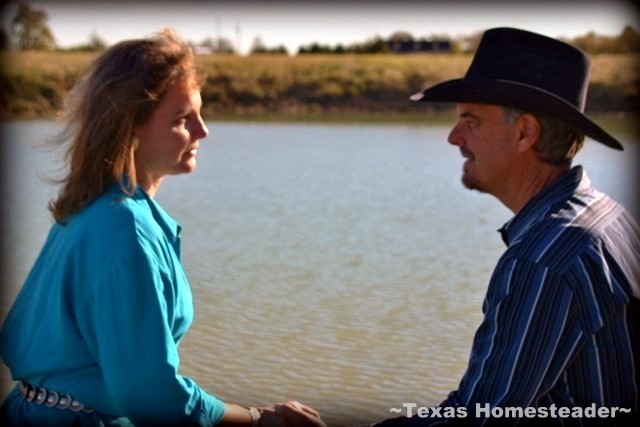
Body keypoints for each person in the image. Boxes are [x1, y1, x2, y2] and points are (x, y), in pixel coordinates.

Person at [0, 29, 326, 427]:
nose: (203, 131)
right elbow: (151, 398)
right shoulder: (123, 229)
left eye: (200, 114)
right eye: (182, 119)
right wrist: (258, 419)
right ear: (129, 127)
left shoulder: (96, 205)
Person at [365, 27, 640, 426]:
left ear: (526, 132)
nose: (453, 137)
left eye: (470, 121)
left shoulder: (542, 259)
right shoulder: (609, 216)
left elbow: (479, 419)